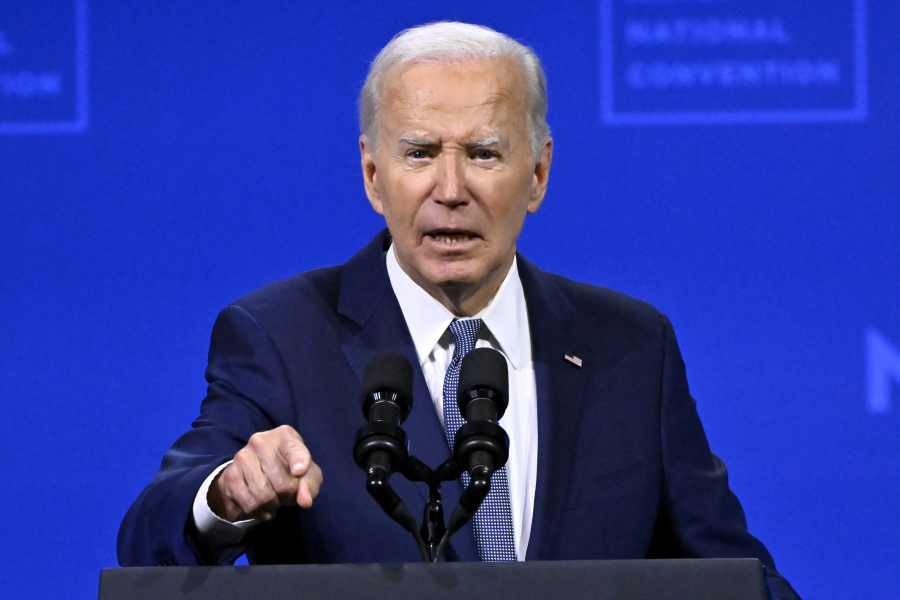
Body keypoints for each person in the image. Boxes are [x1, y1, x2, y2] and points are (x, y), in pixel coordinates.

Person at [118, 21, 800, 600]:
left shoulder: (632, 346)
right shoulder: (279, 335)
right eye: (419, 153)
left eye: (483, 153)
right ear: (372, 174)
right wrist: (226, 495)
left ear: (537, 174)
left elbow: (735, 575)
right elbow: (148, 541)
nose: (450, 189)